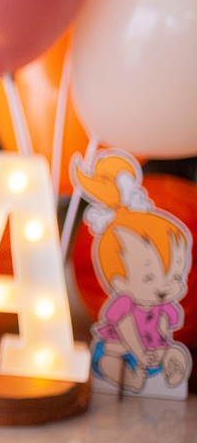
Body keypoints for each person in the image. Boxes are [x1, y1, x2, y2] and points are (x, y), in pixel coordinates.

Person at [72, 149, 191, 393]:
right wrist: (139, 353)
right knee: (109, 359)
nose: (164, 287)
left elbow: (162, 328)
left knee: (174, 352)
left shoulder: (163, 305)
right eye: (149, 278)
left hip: (152, 352)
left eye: (174, 276)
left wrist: (160, 350)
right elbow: (126, 329)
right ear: (118, 284)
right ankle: (127, 377)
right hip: (125, 347)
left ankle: (172, 370)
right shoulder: (124, 307)